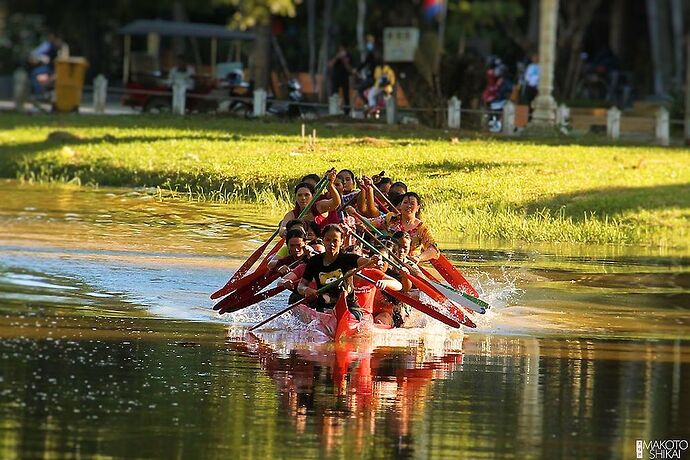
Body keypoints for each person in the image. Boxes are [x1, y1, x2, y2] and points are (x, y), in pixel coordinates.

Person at [297, 224, 379, 319]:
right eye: (328, 240)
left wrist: (374, 260)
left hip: (350, 308)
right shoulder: (314, 261)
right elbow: (301, 286)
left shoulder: (348, 258)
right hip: (323, 309)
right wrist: (306, 290)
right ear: (323, 240)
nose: (331, 244)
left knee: (351, 316)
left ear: (341, 242)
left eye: (335, 240)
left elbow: (367, 262)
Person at [372, 192, 439, 263]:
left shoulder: (423, 228)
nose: (408, 206)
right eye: (405, 202)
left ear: (417, 208)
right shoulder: (390, 218)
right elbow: (370, 223)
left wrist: (418, 258)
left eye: (412, 204)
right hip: (388, 260)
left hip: (409, 263)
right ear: (400, 205)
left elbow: (434, 250)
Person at [279, 170, 340, 236]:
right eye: (299, 195)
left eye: (306, 195)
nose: (303, 198)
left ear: (313, 196)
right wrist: (285, 232)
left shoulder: (319, 206)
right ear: (295, 197)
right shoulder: (292, 214)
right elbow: (282, 228)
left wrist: (330, 185)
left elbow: (336, 202)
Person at [28, 32, 67, 98]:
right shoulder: (47, 45)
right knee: (40, 75)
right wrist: (41, 58)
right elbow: (33, 55)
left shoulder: (63, 47)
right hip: (45, 69)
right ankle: (40, 95)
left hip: (56, 71)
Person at [328, 45, 353, 115]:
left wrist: (344, 60)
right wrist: (337, 57)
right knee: (334, 94)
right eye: (341, 49)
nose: (342, 51)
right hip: (335, 77)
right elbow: (330, 65)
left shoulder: (349, 56)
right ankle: (333, 110)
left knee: (346, 95)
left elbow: (350, 70)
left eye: (343, 49)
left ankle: (347, 112)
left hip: (344, 77)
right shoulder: (335, 56)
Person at [523, 53, 539, 118]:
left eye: (536, 58)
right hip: (530, 86)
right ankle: (529, 116)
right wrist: (529, 82)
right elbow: (527, 76)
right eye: (533, 58)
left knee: (536, 102)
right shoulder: (530, 66)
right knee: (529, 102)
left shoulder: (540, 66)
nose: (534, 59)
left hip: (537, 87)